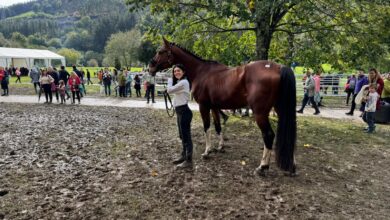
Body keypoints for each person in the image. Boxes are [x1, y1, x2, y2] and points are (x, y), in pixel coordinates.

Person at [167, 64, 194, 168]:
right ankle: (184, 156)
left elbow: (169, 90)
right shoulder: (180, 82)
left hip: (184, 112)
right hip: (180, 111)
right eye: (174, 71)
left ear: (183, 72)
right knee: (182, 136)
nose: (176, 73)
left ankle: (189, 160)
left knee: (186, 136)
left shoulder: (184, 82)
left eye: (178, 71)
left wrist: (170, 80)